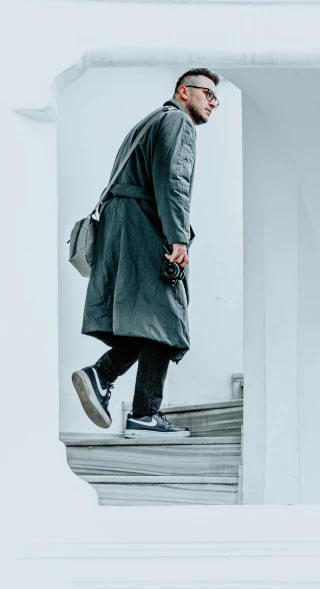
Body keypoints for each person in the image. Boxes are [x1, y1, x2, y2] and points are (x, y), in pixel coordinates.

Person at [71, 68, 220, 438]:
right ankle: (140, 410)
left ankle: (112, 385)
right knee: (167, 314)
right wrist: (178, 238)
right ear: (184, 92)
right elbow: (174, 181)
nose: (213, 102)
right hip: (145, 230)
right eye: (208, 94)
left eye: (217, 98)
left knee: (149, 318)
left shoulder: (147, 123)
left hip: (122, 230)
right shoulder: (177, 123)